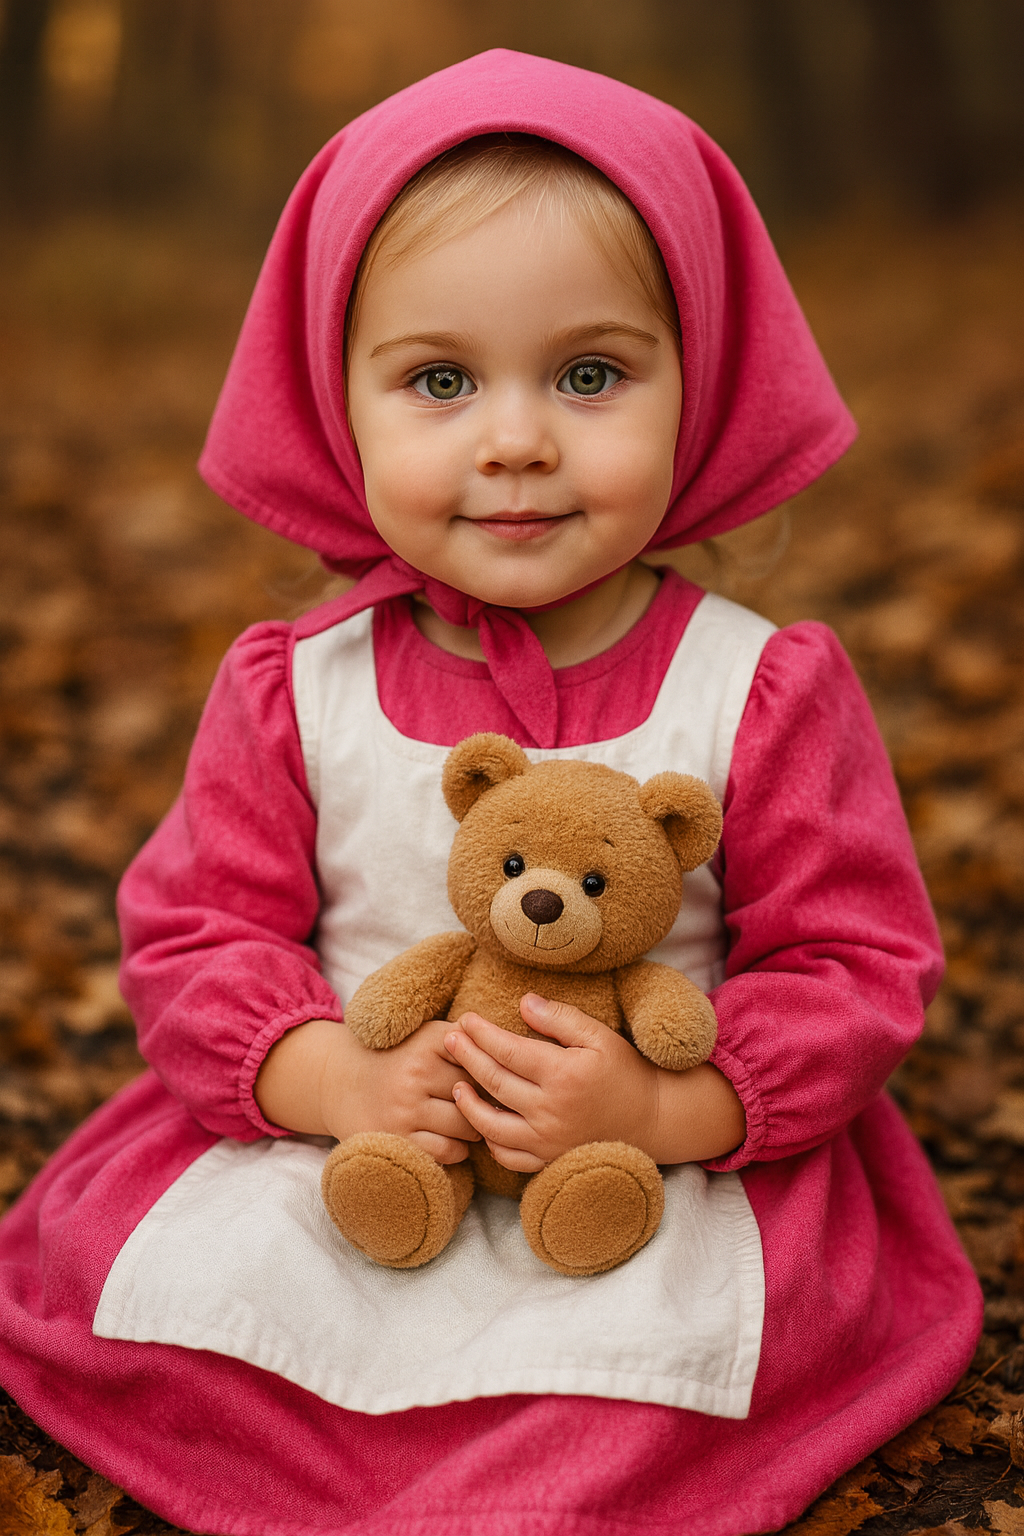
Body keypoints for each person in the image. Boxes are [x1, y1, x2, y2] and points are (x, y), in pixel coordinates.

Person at [0, 49, 980, 1536]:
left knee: (654, 1371)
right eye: (440, 381)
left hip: (654, 1158)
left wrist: (668, 1103)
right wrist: (333, 1079)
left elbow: (854, 961)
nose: (515, 440)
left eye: (590, 375)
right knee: (182, 1300)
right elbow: (200, 936)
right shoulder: (297, 686)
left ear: (700, 385)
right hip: (362, 1135)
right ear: (339, 406)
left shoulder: (756, 686)